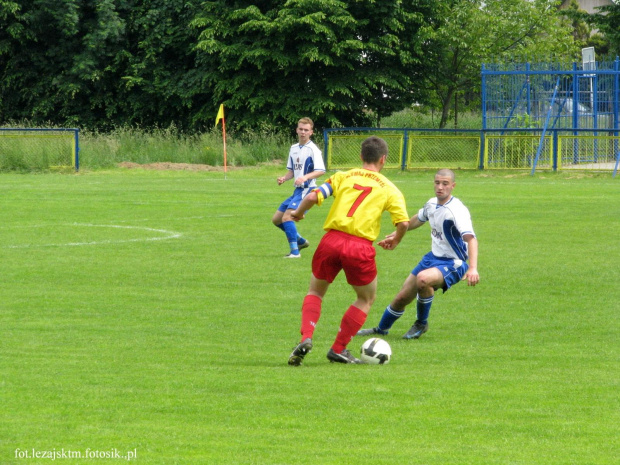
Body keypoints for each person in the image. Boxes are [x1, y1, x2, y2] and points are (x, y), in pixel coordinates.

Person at [287, 136, 410, 365]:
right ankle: (338, 348)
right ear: (383, 159)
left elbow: (314, 195)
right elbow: (402, 223)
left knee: (315, 292)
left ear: (362, 156)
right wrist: (396, 239)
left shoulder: (344, 176)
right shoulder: (390, 189)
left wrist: (299, 213)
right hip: (359, 247)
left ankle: (306, 337)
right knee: (366, 297)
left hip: (331, 241)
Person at [357, 168, 479, 340]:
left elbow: (471, 239)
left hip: (454, 262)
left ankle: (421, 323)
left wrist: (472, 268)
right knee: (401, 297)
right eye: (437, 183)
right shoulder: (431, 204)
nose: (440, 187)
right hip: (432, 258)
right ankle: (381, 329)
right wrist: (397, 234)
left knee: (423, 279)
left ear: (453, 186)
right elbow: (418, 219)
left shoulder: (457, 211)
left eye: (445, 184)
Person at [272, 117, 326, 258]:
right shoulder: (293, 148)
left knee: (287, 218)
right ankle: (301, 241)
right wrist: (284, 178)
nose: (303, 132)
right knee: (276, 220)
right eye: (301, 129)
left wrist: (306, 177)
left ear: (311, 132)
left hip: (307, 190)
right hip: (297, 191)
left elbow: (321, 170)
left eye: (306, 130)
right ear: (297, 130)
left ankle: (295, 252)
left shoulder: (314, 150)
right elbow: (292, 171)